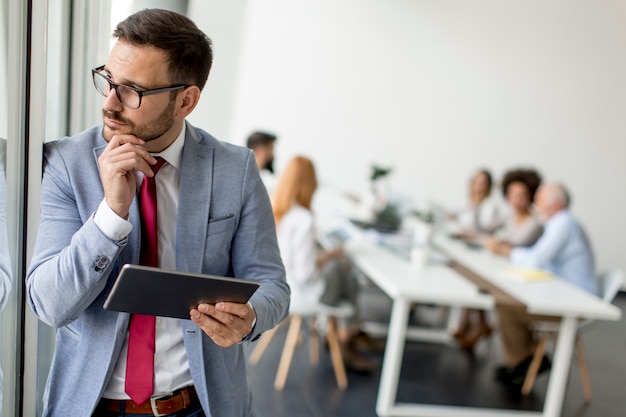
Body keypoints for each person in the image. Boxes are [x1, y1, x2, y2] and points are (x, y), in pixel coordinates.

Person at [25, 9, 289, 417]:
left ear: (185, 100)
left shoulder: (235, 169)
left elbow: (273, 285)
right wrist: (111, 215)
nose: (111, 103)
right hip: (91, 406)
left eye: (132, 91)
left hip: (200, 405)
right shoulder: (65, 163)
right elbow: (48, 303)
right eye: (108, 81)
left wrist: (250, 317)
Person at [272, 156, 382, 373]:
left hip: (284, 288)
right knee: (344, 271)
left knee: (341, 269)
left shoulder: (279, 212)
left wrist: (323, 256)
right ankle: (348, 336)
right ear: (310, 184)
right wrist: (327, 258)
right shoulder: (304, 218)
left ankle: (349, 332)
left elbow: (291, 260)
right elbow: (305, 274)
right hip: (305, 294)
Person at [489, 182, 598, 387]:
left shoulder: (563, 224)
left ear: (554, 204)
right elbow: (541, 260)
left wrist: (506, 251)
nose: (534, 205)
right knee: (510, 302)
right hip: (563, 294)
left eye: (538, 201)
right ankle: (528, 359)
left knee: (508, 307)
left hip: (577, 303)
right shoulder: (558, 224)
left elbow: (536, 260)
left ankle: (525, 361)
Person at [454, 168, 544, 352]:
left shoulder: (534, 223)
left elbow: (514, 246)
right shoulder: (510, 215)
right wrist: (478, 203)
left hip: (524, 279)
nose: (516, 200)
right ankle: (477, 325)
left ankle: (477, 326)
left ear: (530, 197)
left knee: (480, 282)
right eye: (512, 195)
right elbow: (485, 230)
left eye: (522, 195)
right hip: (508, 269)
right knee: (474, 277)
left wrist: (499, 245)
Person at [449, 169, 502, 237]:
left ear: (488, 185)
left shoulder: (491, 205)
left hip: (478, 242)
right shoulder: (466, 201)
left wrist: (476, 207)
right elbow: (452, 213)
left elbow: (483, 228)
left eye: (482, 182)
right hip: (461, 237)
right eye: (476, 180)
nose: (478, 184)